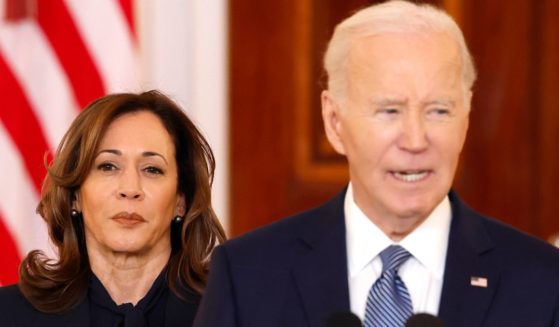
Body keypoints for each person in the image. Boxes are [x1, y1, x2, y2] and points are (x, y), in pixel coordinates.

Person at [194, 1, 559, 326]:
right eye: (389, 111)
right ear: (334, 121)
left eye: (438, 111)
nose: (415, 140)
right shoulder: (247, 276)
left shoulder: (544, 282)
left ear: (466, 117)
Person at [0, 90, 226, 326]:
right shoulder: (8, 315)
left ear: (181, 202)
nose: (130, 188)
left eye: (152, 169)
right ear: (75, 196)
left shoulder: (227, 311)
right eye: (108, 166)